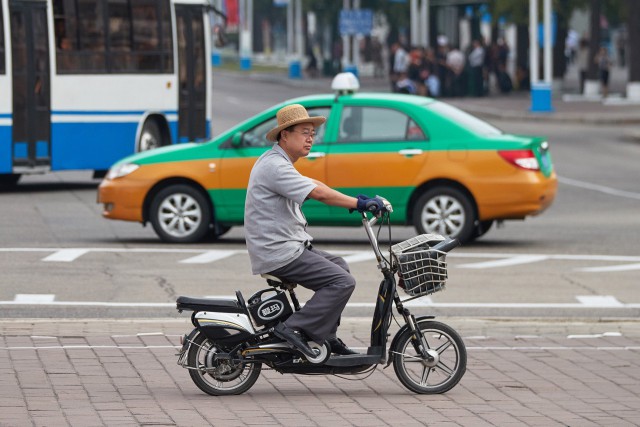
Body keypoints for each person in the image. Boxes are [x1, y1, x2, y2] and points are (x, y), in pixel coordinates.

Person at [244, 104, 385, 359]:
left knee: (340, 267)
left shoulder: (279, 162)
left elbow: (314, 184)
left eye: (312, 133)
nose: (310, 138)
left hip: (287, 246)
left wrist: (355, 200)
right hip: (279, 252)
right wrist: (359, 204)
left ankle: (326, 337)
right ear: (285, 135)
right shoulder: (275, 166)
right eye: (304, 132)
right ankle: (292, 329)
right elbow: (318, 193)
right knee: (342, 282)